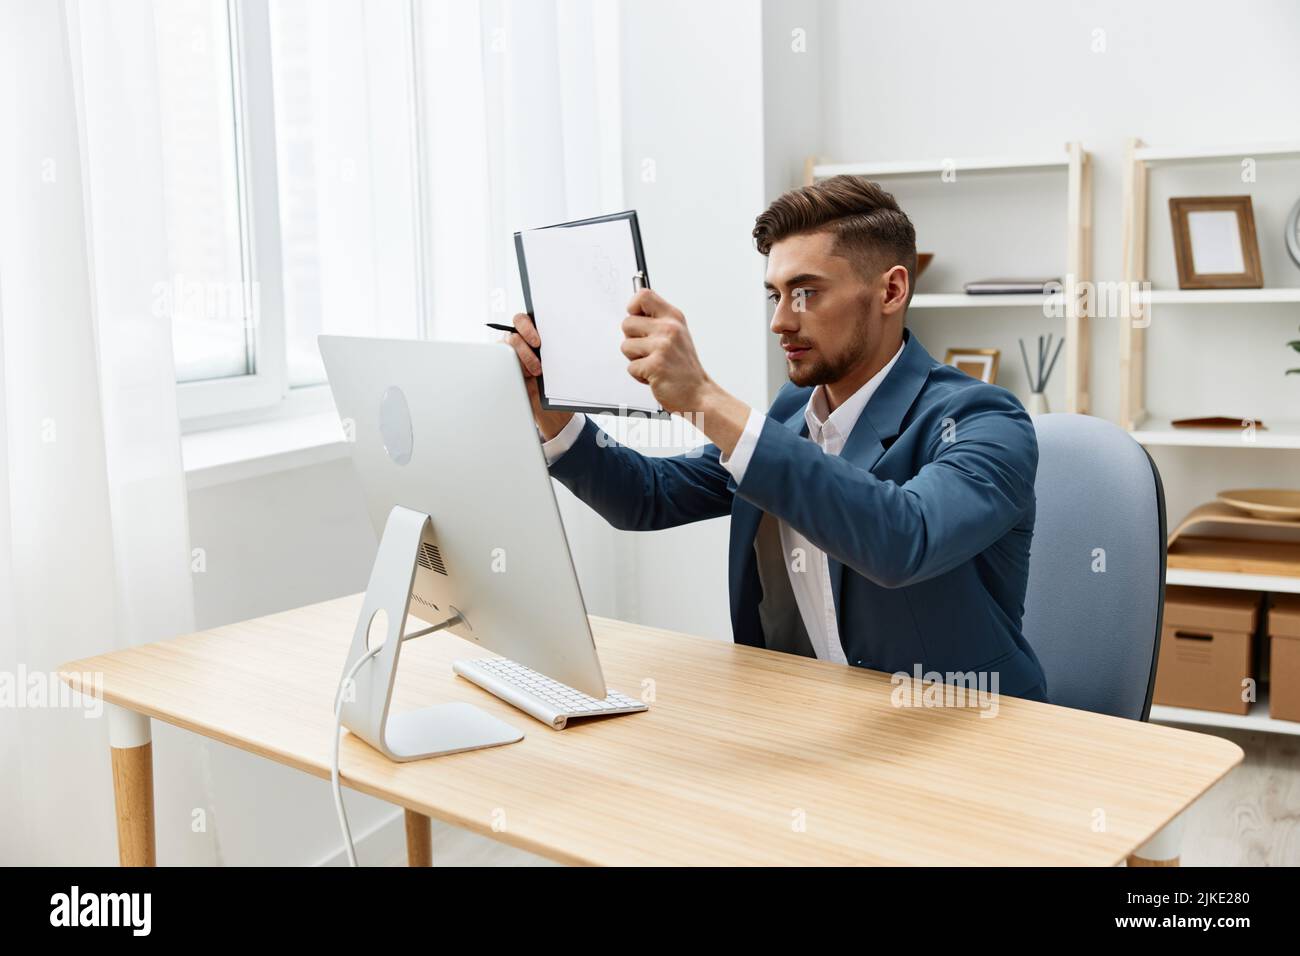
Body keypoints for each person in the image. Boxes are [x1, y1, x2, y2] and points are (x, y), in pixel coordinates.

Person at [506, 175, 1048, 702]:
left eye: (806, 293)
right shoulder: (793, 416)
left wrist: (703, 399)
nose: (781, 322)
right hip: (818, 720)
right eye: (776, 296)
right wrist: (552, 412)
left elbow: (904, 540)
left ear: (891, 289)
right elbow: (646, 497)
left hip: (967, 729)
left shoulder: (986, 419)